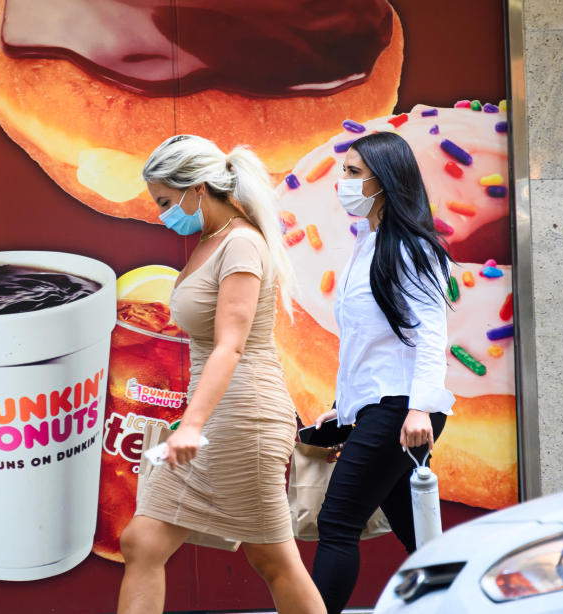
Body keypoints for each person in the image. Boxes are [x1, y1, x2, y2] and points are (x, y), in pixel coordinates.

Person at [117, 134, 327, 614]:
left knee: (273, 557)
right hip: (214, 416)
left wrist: (193, 423)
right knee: (142, 542)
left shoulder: (242, 244)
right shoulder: (211, 241)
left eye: (166, 201)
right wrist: (192, 420)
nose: (163, 213)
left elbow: (231, 345)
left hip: (244, 417)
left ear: (197, 188)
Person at [309, 131, 454, 614]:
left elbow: (431, 335)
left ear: (385, 180)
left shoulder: (414, 248)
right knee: (421, 538)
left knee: (337, 524)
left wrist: (419, 409)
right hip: (382, 407)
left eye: (353, 173)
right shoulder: (367, 245)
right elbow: (367, 345)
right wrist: (343, 409)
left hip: (402, 410)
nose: (342, 183)